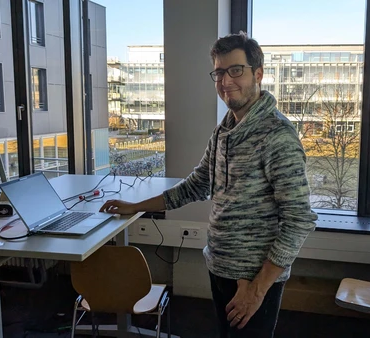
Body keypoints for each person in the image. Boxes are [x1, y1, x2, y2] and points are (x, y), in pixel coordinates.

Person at [99, 31, 317, 338]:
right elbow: (196, 185)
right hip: (220, 266)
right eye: (219, 73)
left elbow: (299, 220)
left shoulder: (277, 136)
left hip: (253, 279)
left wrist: (257, 289)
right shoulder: (225, 130)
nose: (226, 81)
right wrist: (135, 208)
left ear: (258, 74)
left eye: (236, 71)